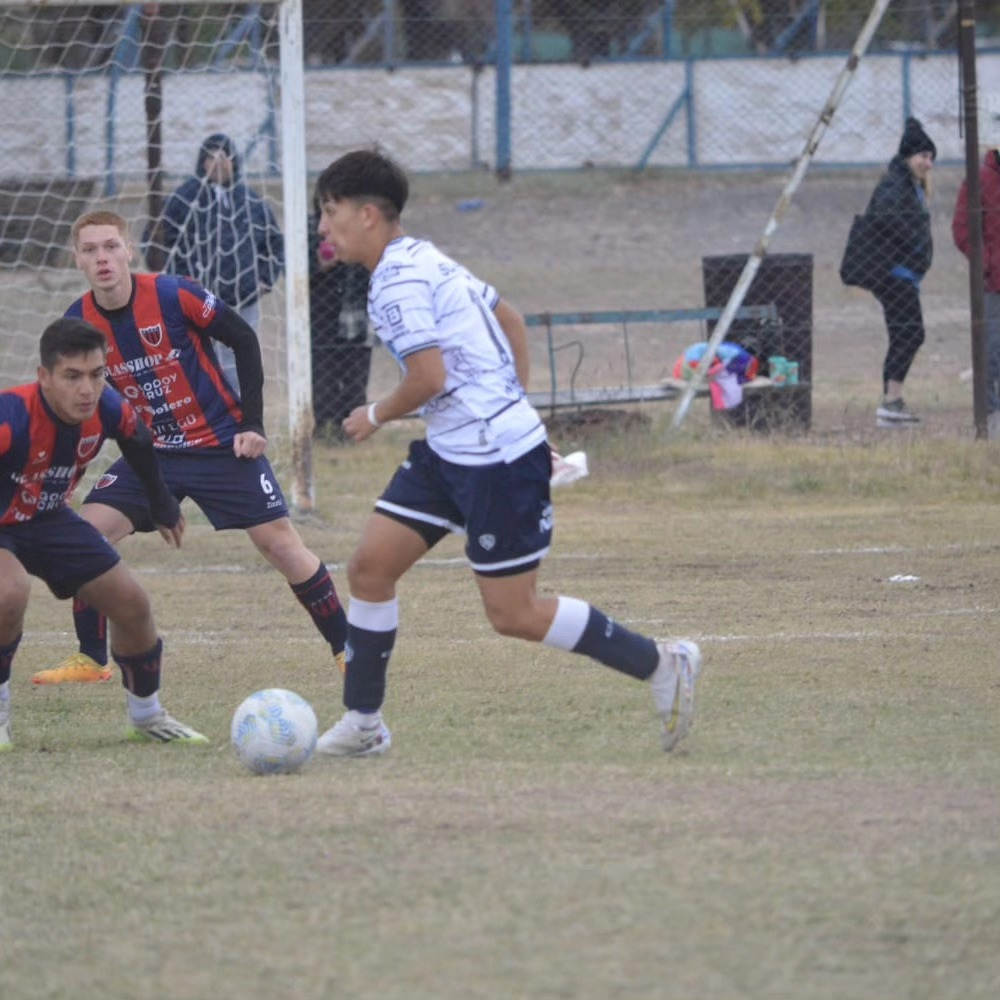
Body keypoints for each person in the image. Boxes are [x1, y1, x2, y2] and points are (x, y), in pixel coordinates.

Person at [311, 149, 702, 758]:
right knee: (369, 570)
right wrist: (510, 405)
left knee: (513, 613)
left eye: (329, 212)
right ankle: (364, 724)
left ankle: (662, 662)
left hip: (492, 461)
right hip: (450, 452)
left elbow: (429, 377)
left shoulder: (396, 282)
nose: (322, 227)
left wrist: (376, 414)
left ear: (366, 215)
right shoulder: (423, 256)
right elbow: (510, 320)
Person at [30, 210, 348, 687]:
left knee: (280, 545)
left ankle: (348, 648)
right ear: (77, 259)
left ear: (129, 250)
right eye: (90, 250)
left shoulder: (173, 294)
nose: (102, 258)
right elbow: (78, 398)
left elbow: (243, 339)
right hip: (152, 452)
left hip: (220, 444)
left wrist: (252, 423)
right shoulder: (78, 323)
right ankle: (92, 660)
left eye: (111, 246)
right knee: (87, 536)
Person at [1, 318, 206, 749]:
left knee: (132, 605)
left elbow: (138, 440)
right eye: (72, 376)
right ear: (44, 377)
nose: (87, 389)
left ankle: (147, 717)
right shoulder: (11, 418)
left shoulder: (108, 408)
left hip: (48, 519)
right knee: (8, 593)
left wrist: (162, 502)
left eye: (96, 375)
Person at [145, 132, 284, 391]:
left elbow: (275, 243)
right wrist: (177, 281)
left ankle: (240, 410)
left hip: (244, 299)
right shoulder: (183, 199)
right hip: (197, 301)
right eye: (212, 157)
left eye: (225, 157)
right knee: (199, 362)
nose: (219, 163)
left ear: (234, 162)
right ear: (202, 162)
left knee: (240, 362)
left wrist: (265, 279)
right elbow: (154, 242)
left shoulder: (251, 201)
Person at [863, 117, 936, 428]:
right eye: (923, 156)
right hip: (895, 275)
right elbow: (885, 218)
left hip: (902, 275)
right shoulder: (895, 185)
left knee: (903, 334)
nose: (928, 164)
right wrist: (914, 247)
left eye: (931, 158)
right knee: (911, 333)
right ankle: (891, 402)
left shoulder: (905, 183)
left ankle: (891, 402)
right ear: (908, 155)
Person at [308, 206, 373, 438]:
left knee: (355, 374)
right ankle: (325, 426)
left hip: (356, 312)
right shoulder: (310, 229)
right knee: (323, 376)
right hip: (322, 314)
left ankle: (353, 427)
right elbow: (294, 270)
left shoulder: (364, 228)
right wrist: (319, 264)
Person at [952, 146, 1000, 440]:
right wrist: (988, 263)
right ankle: (991, 418)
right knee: (991, 353)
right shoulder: (979, 180)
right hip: (995, 284)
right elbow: (962, 231)